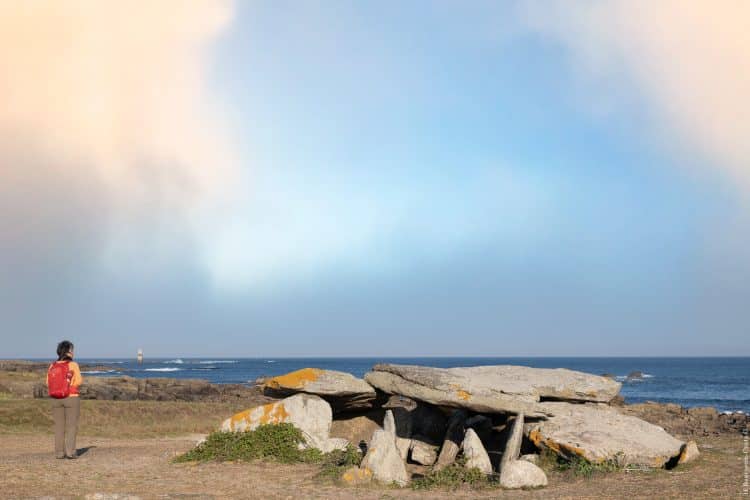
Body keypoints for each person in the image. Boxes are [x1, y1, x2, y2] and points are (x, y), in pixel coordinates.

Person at [47, 340, 83, 459]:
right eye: (72, 350)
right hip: (71, 397)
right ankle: (70, 452)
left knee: (59, 426)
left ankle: (59, 452)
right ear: (68, 351)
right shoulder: (73, 365)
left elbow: (47, 382)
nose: (73, 352)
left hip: (55, 398)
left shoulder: (52, 365)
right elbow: (79, 381)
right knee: (71, 426)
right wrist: (69, 386)